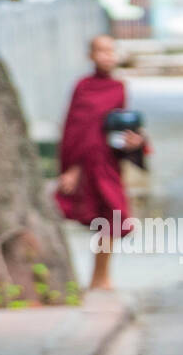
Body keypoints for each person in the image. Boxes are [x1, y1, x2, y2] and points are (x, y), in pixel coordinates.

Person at [55, 35, 148, 290]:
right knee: (82, 214)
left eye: (111, 51)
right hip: (84, 163)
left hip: (107, 162)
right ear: (90, 55)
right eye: (101, 51)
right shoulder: (82, 87)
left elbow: (118, 125)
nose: (107, 56)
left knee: (113, 217)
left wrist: (136, 142)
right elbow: (74, 129)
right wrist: (71, 169)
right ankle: (88, 278)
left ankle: (101, 275)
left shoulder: (118, 87)